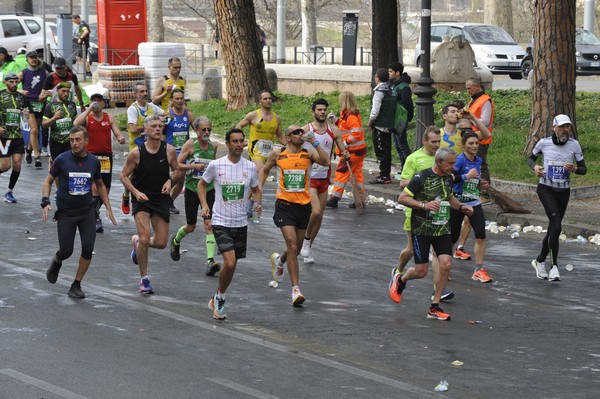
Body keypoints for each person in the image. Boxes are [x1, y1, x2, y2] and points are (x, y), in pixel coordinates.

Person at [397, 147, 473, 321]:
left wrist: (461, 206)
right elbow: (402, 198)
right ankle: (401, 280)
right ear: (439, 162)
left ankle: (434, 307)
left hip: (441, 229)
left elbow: (449, 197)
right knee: (421, 271)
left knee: (446, 264)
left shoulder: (448, 178)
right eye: (451, 163)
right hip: (421, 229)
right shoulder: (421, 177)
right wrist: (424, 205)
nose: (454, 167)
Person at [258, 125, 330, 307]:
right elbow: (265, 170)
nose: (300, 135)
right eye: (296, 133)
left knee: (295, 249)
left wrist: (315, 143)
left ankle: (279, 260)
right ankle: (295, 290)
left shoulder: (308, 154)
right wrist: (257, 190)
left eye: (301, 132)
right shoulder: (278, 154)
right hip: (284, 206)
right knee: (291, 244)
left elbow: (326, 161)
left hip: (303, 206)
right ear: (288, 137)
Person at [42, 126, 116, 298]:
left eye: (78, 140)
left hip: (87, 212)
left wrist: (109, 209)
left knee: (88, 248)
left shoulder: (93, 162)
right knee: (66, 251)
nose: (74, 143)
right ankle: (57, 260)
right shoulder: (62, 159)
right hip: (66, 214)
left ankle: (76, 285)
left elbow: (100, 185)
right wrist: (45, 201)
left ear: (86, 141)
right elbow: (48, 182)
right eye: (72, 140)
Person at [199, 128, 260, 319]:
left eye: (242, 141)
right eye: (235, 141)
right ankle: (221, 299)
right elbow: (202, 184)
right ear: (227, 144)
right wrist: (204, 205)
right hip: (220, 221)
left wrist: (257, 203)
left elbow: (256, 189)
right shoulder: (217, 165)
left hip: (241, 223)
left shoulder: (250, 167)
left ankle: (217, 295)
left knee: (232, 265)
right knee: (230, 262)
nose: (239, 145)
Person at [390, 126, 454, 303]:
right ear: (424, 141)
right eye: (433, 141)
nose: (436, 144)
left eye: (438, 141)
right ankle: (398, 272)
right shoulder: (414, 158)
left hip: (438, 216)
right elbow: (403, 183)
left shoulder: (444, 159)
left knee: (439, 256)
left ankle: (437, 292)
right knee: (411, 251)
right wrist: (423, 182)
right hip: (417, 213)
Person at [120, 115, 181, 294]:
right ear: (145, 130)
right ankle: (144, 279)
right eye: (153, 126)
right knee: (146, 238)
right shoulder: (136, 153)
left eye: (160, 126)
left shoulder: (169, 150)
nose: (157, 129)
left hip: (160, 198)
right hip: (142, 199)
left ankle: (137, 243)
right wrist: (135, 192)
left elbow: (177, 170)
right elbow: (123, 176)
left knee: (161, 243)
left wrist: (170, 181)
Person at [527, 114, 586, 282]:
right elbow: (530, 159)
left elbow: (584, 169)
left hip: (563, 191)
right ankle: (554, 267)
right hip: (545, 188)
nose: (565, 130)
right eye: (562, 127)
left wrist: (575, 169)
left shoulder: (574, 145)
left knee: (554, 227)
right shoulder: (543, 143)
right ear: (554, 127)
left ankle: (539, 261)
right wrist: (536, 167)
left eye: (568, 127)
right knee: (557, 224)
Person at [298, 98, 348, 264]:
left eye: (324, 109)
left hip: (324, 177)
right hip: (310, 177)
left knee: (319, 217)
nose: (322, 112)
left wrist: (346, 154)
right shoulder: (306, 130)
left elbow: (342, 150)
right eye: (319, 110)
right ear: (313, 112)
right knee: (316, 211)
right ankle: (305, 239)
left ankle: (308, 248)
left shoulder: (334, 130)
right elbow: (294, 147)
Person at [170, 116, 221, 277]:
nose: (206, 132)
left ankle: (210, 261)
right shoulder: (191, 144)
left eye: (209, 130)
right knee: (190, 226)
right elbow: (177, 164)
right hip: (192, 189)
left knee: (209, 224)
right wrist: (194, 166)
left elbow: (212, 167)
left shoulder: (214, 146)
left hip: (208, 190)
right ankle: (176, 240)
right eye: (203, 130)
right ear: (196, 131)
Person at [73, 93, 126, 232]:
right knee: (95, 188)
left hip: (106, 156)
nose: (96, 103)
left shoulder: (109, 117)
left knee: (105, 190)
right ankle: (95, 218)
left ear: (103, 103)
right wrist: (88, 109)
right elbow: (76, 124)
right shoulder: (87, 117)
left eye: (98, 101)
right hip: (91, 155)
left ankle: (90, 213)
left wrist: (120, 138)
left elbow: (117, 132)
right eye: (93, 100)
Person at [450, 130, 492, 283]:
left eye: (476, 143)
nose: (475, 146)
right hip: (458, 202)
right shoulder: (459, 161)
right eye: (471, 144)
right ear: (463, 146)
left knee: (481, 234)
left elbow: (474, 180)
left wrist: (482, 184)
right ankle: (444, 267)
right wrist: (465, 176)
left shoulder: (478, 161)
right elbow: (450, 178)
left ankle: (478, 270)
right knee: (452, 237)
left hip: (474, 201)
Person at [236, 90, 284, 216]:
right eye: (265, 99)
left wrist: (291, 145)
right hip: (255, 151)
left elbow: (280, 136)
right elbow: (238, 126)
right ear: (260, 101)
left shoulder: (276, 118)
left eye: (270, 99)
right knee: (261, 172)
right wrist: (243, 140)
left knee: (258, 180)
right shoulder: (253, 115)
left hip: (268, 152)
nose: (268, 100)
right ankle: (255, 205)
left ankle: (249, 202)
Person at [122, 81, 165, 214]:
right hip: (137, 147)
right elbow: (133, 128)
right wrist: (148, 127)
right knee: (132, 175)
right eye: (141, 92)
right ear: (135, 94)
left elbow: (167, 115)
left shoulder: (152, 107)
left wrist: (164, 118)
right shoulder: (133, 109)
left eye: (146, 91)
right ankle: (126, 195)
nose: (145, 94)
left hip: (152, 146)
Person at [326, 91, 366, 208]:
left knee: (341, 173)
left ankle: (334, 198)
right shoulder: (349, 114)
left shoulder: (350, 116)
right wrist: (336, 120)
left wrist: (345, 143)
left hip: (351, 151)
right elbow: (347, 128)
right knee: (357, 175)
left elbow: (356, 133)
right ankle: (360, 199)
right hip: (357, 151)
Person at [0, 72, 32, 203]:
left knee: (18, 164)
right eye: (11, 82)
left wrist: (27, 114)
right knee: (5, 166)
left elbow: (26, 111)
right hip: (4, 136)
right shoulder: (1, 95)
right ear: (5, 82)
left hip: (17, 135)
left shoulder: (21, 97)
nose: (14, 84)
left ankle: (9, 192)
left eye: (16, 82)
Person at [162, 88, 195, 214]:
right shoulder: (168, 115)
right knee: (179, 173)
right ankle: (165, 194)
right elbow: (161, 132)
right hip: (171, 150)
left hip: (184, 151)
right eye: (177, 98)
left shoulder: (189, 115)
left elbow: (198, 130)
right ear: (172, 100)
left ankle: (169, 201)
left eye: (182, 98)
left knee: (181, 180)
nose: (180, 101)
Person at [466, 77, 494, 203]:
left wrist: (469, 119)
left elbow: (486, 121)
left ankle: (485, 194)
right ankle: (476, 191)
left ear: (477, 86)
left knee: (481, 166)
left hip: (481, 139)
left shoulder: (485, 101)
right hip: (473, 136)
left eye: (469, 88)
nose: (468, 91)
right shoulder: (474, 99)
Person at [367, 68, 396, 184]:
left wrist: (370, 121)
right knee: (387, 150)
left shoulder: (379, 91)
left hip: (380, 125)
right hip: (388, 124)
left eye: (375, 76)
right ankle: (386, 174)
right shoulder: (390, 89)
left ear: (377, 78)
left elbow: (376, 109)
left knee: (381, 150)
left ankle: (384, 175)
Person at [19, 51, 47, 168]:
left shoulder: (44, 72)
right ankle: (37, 157)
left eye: (35, 57)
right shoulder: (23, 73)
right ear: (27, 60)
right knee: (34, 130)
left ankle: (29, 149)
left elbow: (52, 82)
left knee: (36, 130)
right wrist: (20, 91)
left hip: (40, 103)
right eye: (31, 58)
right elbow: (10, 85)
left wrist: (47, 92)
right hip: (28, 103)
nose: (34, 59)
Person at [41, 81, 78, 163]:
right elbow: (44, 125)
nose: (66, 94)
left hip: (70, 141)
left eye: (67, 91)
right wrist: (53, 118)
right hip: (56, 141)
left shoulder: (72, 105)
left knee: (69, 165)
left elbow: (76, 122)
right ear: (57, 91)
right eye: (63, 91)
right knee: (57, 166)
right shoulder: (50, 106)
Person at [387, 61, 413, 170]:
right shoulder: (394, 85)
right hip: (394, 118)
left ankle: (408, 168)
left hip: (400, 119)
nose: (388, 73)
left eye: (390, 71)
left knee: (402, 145)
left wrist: (407, 117)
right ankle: (403, 168)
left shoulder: (403, 87)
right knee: (398, 145)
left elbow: (408, 104)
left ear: (397, 73)